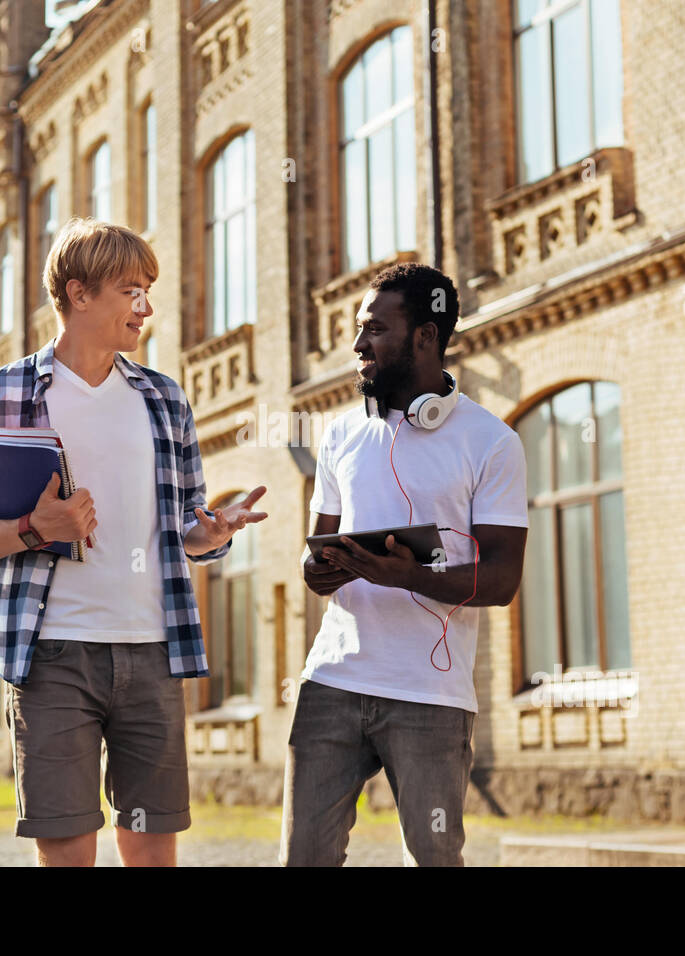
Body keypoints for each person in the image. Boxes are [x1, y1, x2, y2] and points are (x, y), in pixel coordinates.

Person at [0, 217, 266, 866]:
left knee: (151, 851)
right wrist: (34, 529)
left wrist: (213, 531)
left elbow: (185, 532)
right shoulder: (1, 395)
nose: (145, 307)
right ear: (78, 294)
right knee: (66, 850)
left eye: (148, 291)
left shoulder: (164, 400)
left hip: (151, 652)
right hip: (52, 654)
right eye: (129, 291)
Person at [280, 262, 528, 866]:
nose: (358, 346)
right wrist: (328, 568)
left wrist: (407, 575)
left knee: (436, 858)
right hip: (331, 683)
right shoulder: (340, 436)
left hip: (430, 695)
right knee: (303, 859)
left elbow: (500, 580)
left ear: (424, 337)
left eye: (375, 330)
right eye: (359, 330)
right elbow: (317, 565)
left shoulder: (491, 442)